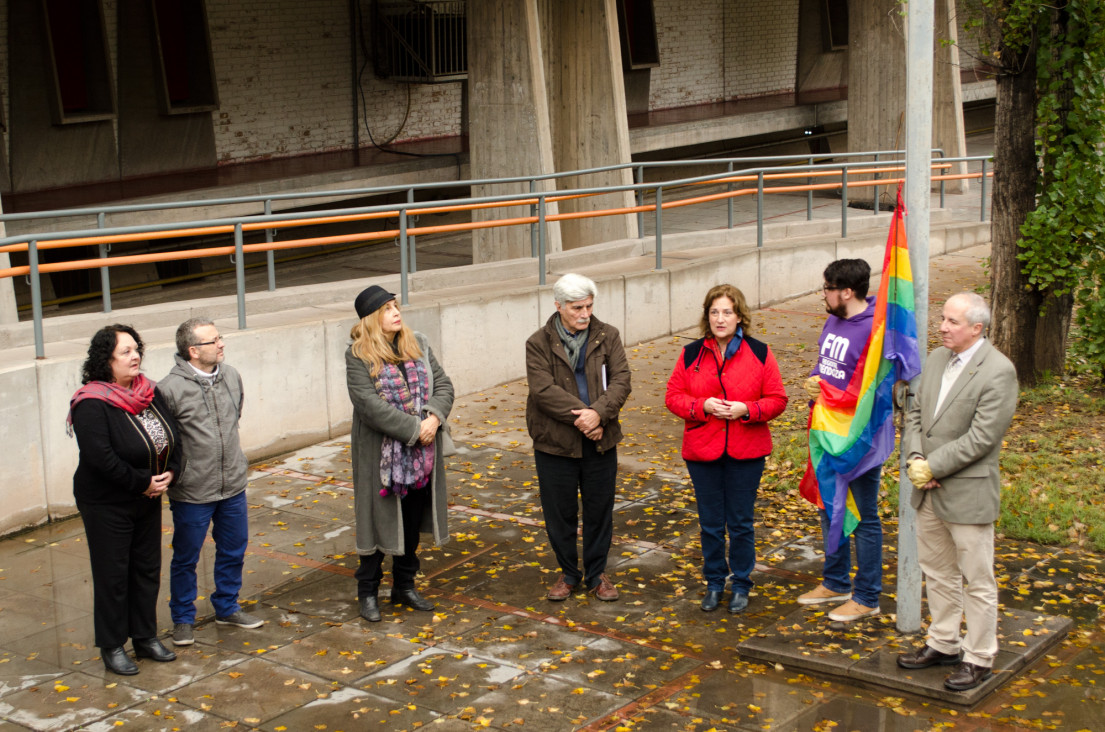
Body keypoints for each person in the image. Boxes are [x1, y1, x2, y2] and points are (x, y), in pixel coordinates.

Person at [898, 292, 1018, 692]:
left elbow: (983, 436)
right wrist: (917, 458)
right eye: (943, 319)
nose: (942, 327)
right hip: (927, 490)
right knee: (938, 573)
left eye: (951, 321)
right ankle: (943, 642)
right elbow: (916, 413)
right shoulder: (935, 359)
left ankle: (979, 656)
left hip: (967, 494)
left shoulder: (999, 371)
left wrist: (935, 466)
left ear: (976, 328)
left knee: (977, 580)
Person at [665, 284, 788, 613]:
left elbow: (777, 399)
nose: (720, 319)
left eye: (727, 312)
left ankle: (742, 583)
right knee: (710, 523)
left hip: (746, 451)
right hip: (703, 450)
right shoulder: (692, 353)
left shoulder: (759, 352)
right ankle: (715, 581)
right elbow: (673, 396)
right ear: (707, 316)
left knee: (741, 522)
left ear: (739, 316)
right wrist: (701, 404)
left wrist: (746, 410)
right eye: (714, 312)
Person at [67, 324, 181, 676]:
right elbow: (100, 458)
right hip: (107, 502)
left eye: (136, 349)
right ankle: (112, 645)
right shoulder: (92, 402)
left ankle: (145, 636)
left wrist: (172, 472)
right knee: (113, 574)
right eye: (126, 352)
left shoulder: (149, 391)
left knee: (147, 569)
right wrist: (142, 482)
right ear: (107, 360)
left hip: (148, 495)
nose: (135, 357)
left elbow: (174, 435)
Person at [346, 285, 454, 622]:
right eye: (387, 308)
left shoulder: (417, 343)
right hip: (382, 458)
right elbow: (369, 406)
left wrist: (434, 418)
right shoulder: (358, 356)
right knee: (378, 524)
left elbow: (445, 385)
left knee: (409, 520)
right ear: (371, 318)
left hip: (421, 457)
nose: (396, 312)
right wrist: (414, 429)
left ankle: (404, 585)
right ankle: (368, 592)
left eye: (396, 306)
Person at [526, 273, 631, 602]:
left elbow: (622, 380)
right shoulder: (538, 343)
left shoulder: (608, 335)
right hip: (555, 443)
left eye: (589, 306)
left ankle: (597, 573)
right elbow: (543, 391)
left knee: (600, 510)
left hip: (601, 440)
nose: (585, 314)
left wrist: (599, 413)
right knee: (560, 513)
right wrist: (586, 418)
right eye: (576, 308)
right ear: (558, 307)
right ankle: (569, 572)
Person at [160, 318, 263, 647]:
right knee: (186, 557)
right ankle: (182, 619)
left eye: (220, 338)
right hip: (193, 491)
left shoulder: (231, 376)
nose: (221, 344)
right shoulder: (169, 389)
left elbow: (236, 417)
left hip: (232, 483)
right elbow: (167, 441)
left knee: (234, 549)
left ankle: (227, 607)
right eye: (213, 341)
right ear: (193, 351)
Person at [798, 258, 885, 622]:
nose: (824, 294)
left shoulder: (873, 331)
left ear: (847, 292)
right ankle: (835, 581)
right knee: (828, 506)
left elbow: (871, 391)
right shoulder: (835, 318)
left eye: (828, 289)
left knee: (864, 516)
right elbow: (827, 365)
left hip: (858, 440)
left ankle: (867, 596)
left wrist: (828, 395)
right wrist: (816, 380)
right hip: (826, 432)